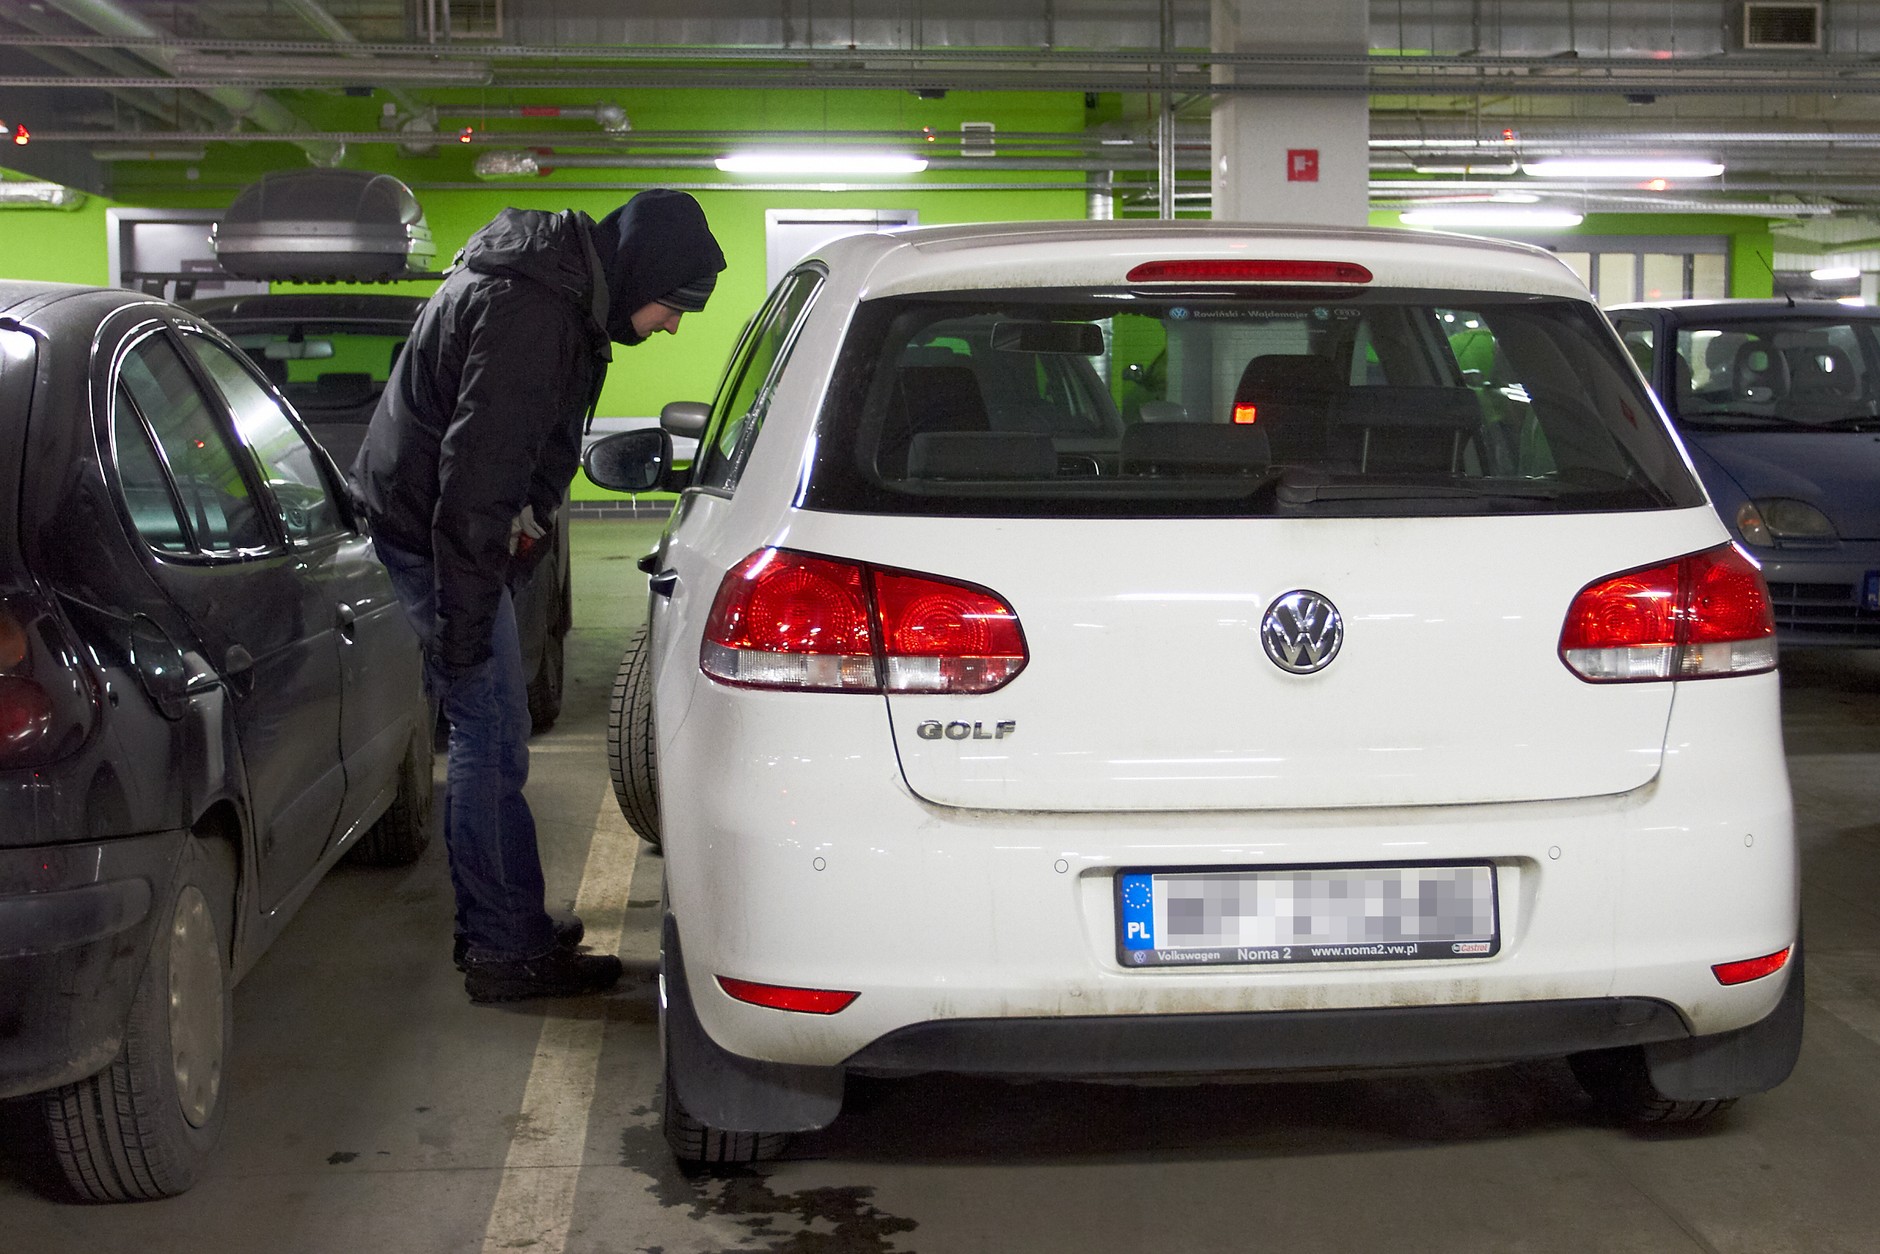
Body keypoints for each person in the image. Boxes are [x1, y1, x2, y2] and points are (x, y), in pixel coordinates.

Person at [350, 189, 726, 1003]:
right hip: (440, 536)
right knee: (489, 736)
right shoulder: (534, 311)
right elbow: (474, 478)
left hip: (435, 522)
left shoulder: (553, 288)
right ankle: (503, 949)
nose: (671, 326)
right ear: (642, 273)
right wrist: (466, 617)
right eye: (675, 306)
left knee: (500, 728)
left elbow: (517, 453)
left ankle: (505, 919)